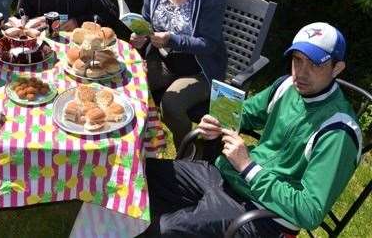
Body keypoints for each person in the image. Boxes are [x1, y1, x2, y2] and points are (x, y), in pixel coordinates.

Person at [144, 22, 362, 237]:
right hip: (228, 176)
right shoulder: (287, 86)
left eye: (315, 64)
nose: (301, 73)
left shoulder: (338, 131)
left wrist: (248, 168)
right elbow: (245, 113)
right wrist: (216, 121)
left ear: (337, 68)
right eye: (297, 60)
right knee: (143, 173)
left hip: (262, 213)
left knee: (165, 229)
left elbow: (309, 211)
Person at [130, 0, 226, 148]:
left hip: (199, 70)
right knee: (129, 85)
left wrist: (171, 39)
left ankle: (189, 152)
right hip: (164, 61)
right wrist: (141, 35)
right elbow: (146, 19)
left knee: (171, 105)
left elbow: (210, 44)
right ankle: (139, 147)